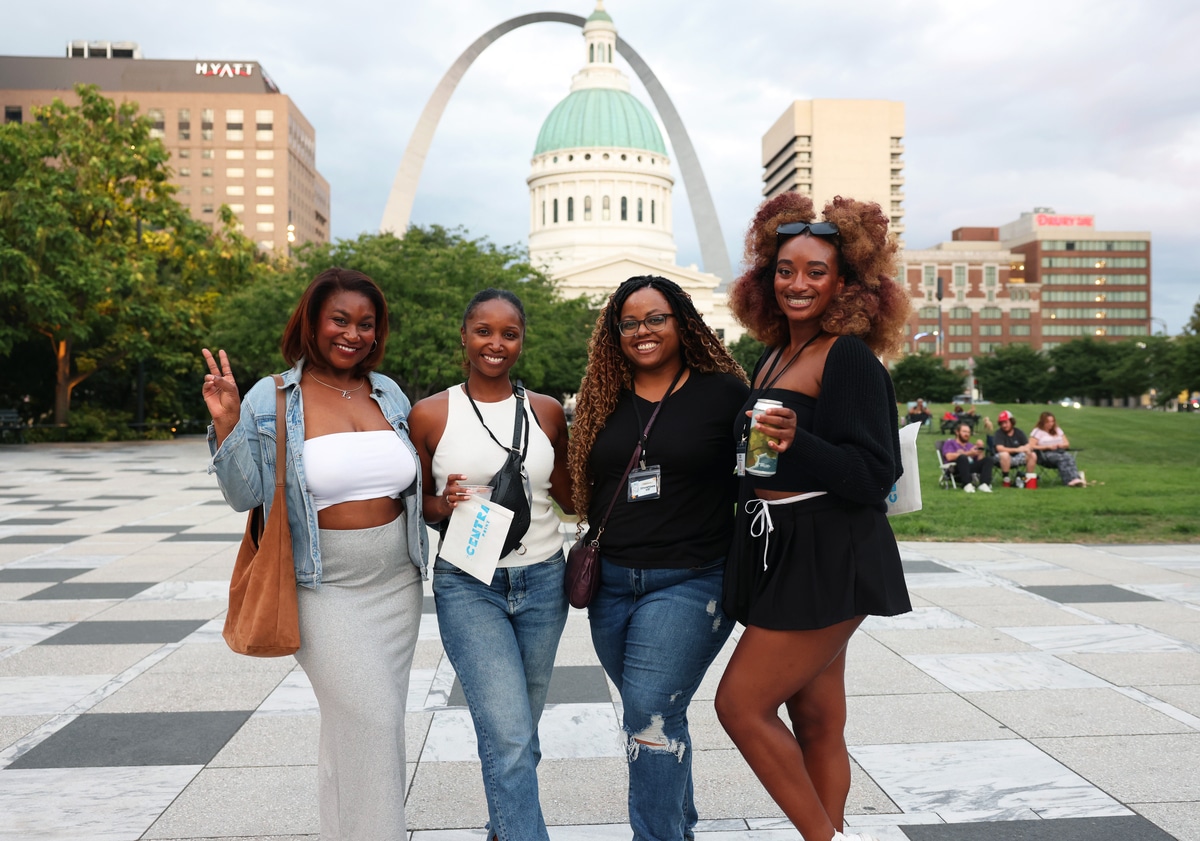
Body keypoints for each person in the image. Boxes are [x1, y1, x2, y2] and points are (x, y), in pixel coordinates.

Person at [202, 268, 426, 840]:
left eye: (366, 324)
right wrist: (227, 423)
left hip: (396, 583)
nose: (353, 334)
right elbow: (245, 496)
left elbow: (410, 482)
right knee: (374, 722)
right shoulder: (270, 396)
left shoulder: (389, 393)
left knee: (355, 728)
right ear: (312, 322)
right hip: (321, 584)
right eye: (340, 320)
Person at [715, 193, 912, 841]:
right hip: (783, 547)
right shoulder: (772, 354)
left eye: (816, 271)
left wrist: (799, 437)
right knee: (819, 719)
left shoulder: (846, 355)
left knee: (740, 704)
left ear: (848, 282)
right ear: (764, 280)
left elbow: (873, 475)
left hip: (831, 550)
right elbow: (762, 458)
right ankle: (830, 828)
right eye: (784, 269)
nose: (797, 283)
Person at [568, 275, 749, 841]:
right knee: (659, 715)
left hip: (691, 581)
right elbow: (578, 483)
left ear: (683, 321)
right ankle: (680, 828)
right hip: (612, 585)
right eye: (629, 322)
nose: (642, 330)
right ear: (614, 332)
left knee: (648, 714)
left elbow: (758, 474)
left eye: (656, 318)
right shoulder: (604, 394)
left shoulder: (723, 390)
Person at [408, 289, 573, 841]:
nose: (496, 343)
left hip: (545, 578)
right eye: (483, 331)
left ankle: (505, 829)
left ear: (522, 340)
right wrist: (444, 502)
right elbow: (418, 507)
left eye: (509, 333)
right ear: (464, 335)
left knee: (521, 734)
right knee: (507, 733)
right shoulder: (430, 413)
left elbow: (570, 496)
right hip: (469, 582)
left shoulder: (546, 411)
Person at [1031, 410, 1085, 486]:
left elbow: (1066, 443)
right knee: (1061, 458)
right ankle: (1069, 481)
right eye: (1048, 422)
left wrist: (1060, 445)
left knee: (1069, 457)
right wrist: (1047, 447)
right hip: (1045, 454)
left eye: (1052, 421)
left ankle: (1075, 478)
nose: (1051, 424)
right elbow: (1031, 446)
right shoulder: (1037, 431)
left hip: (1059, 450)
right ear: (1043, 422)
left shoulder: (1057, 430)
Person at [942, 421, 994, 493]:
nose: (967, 434)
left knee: (988, 459)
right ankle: (967, 484)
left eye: (968, 432)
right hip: (954, 469)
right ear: (957, 432)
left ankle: (984, 484)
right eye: (964, 431)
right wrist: (969, 453)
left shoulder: (970, 445)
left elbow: (979, 461)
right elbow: (949, 457)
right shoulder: (950, 443)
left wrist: (980, 450)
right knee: (962, 457)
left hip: (969, 468)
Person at [993, 410, 1038, 488]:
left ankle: (1028, 479)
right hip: (1001, 459)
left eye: (1006, 422)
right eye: (1002, 423)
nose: (1004, 425)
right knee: (1004, 454)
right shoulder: (999, 433)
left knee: (1032, 454)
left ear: (1011, 422)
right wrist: (1017, 449)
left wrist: (1026, 449)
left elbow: (1028, 445)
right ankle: (1006, 480)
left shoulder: (1019, 432)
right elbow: (999, 448)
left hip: (1017, 457)